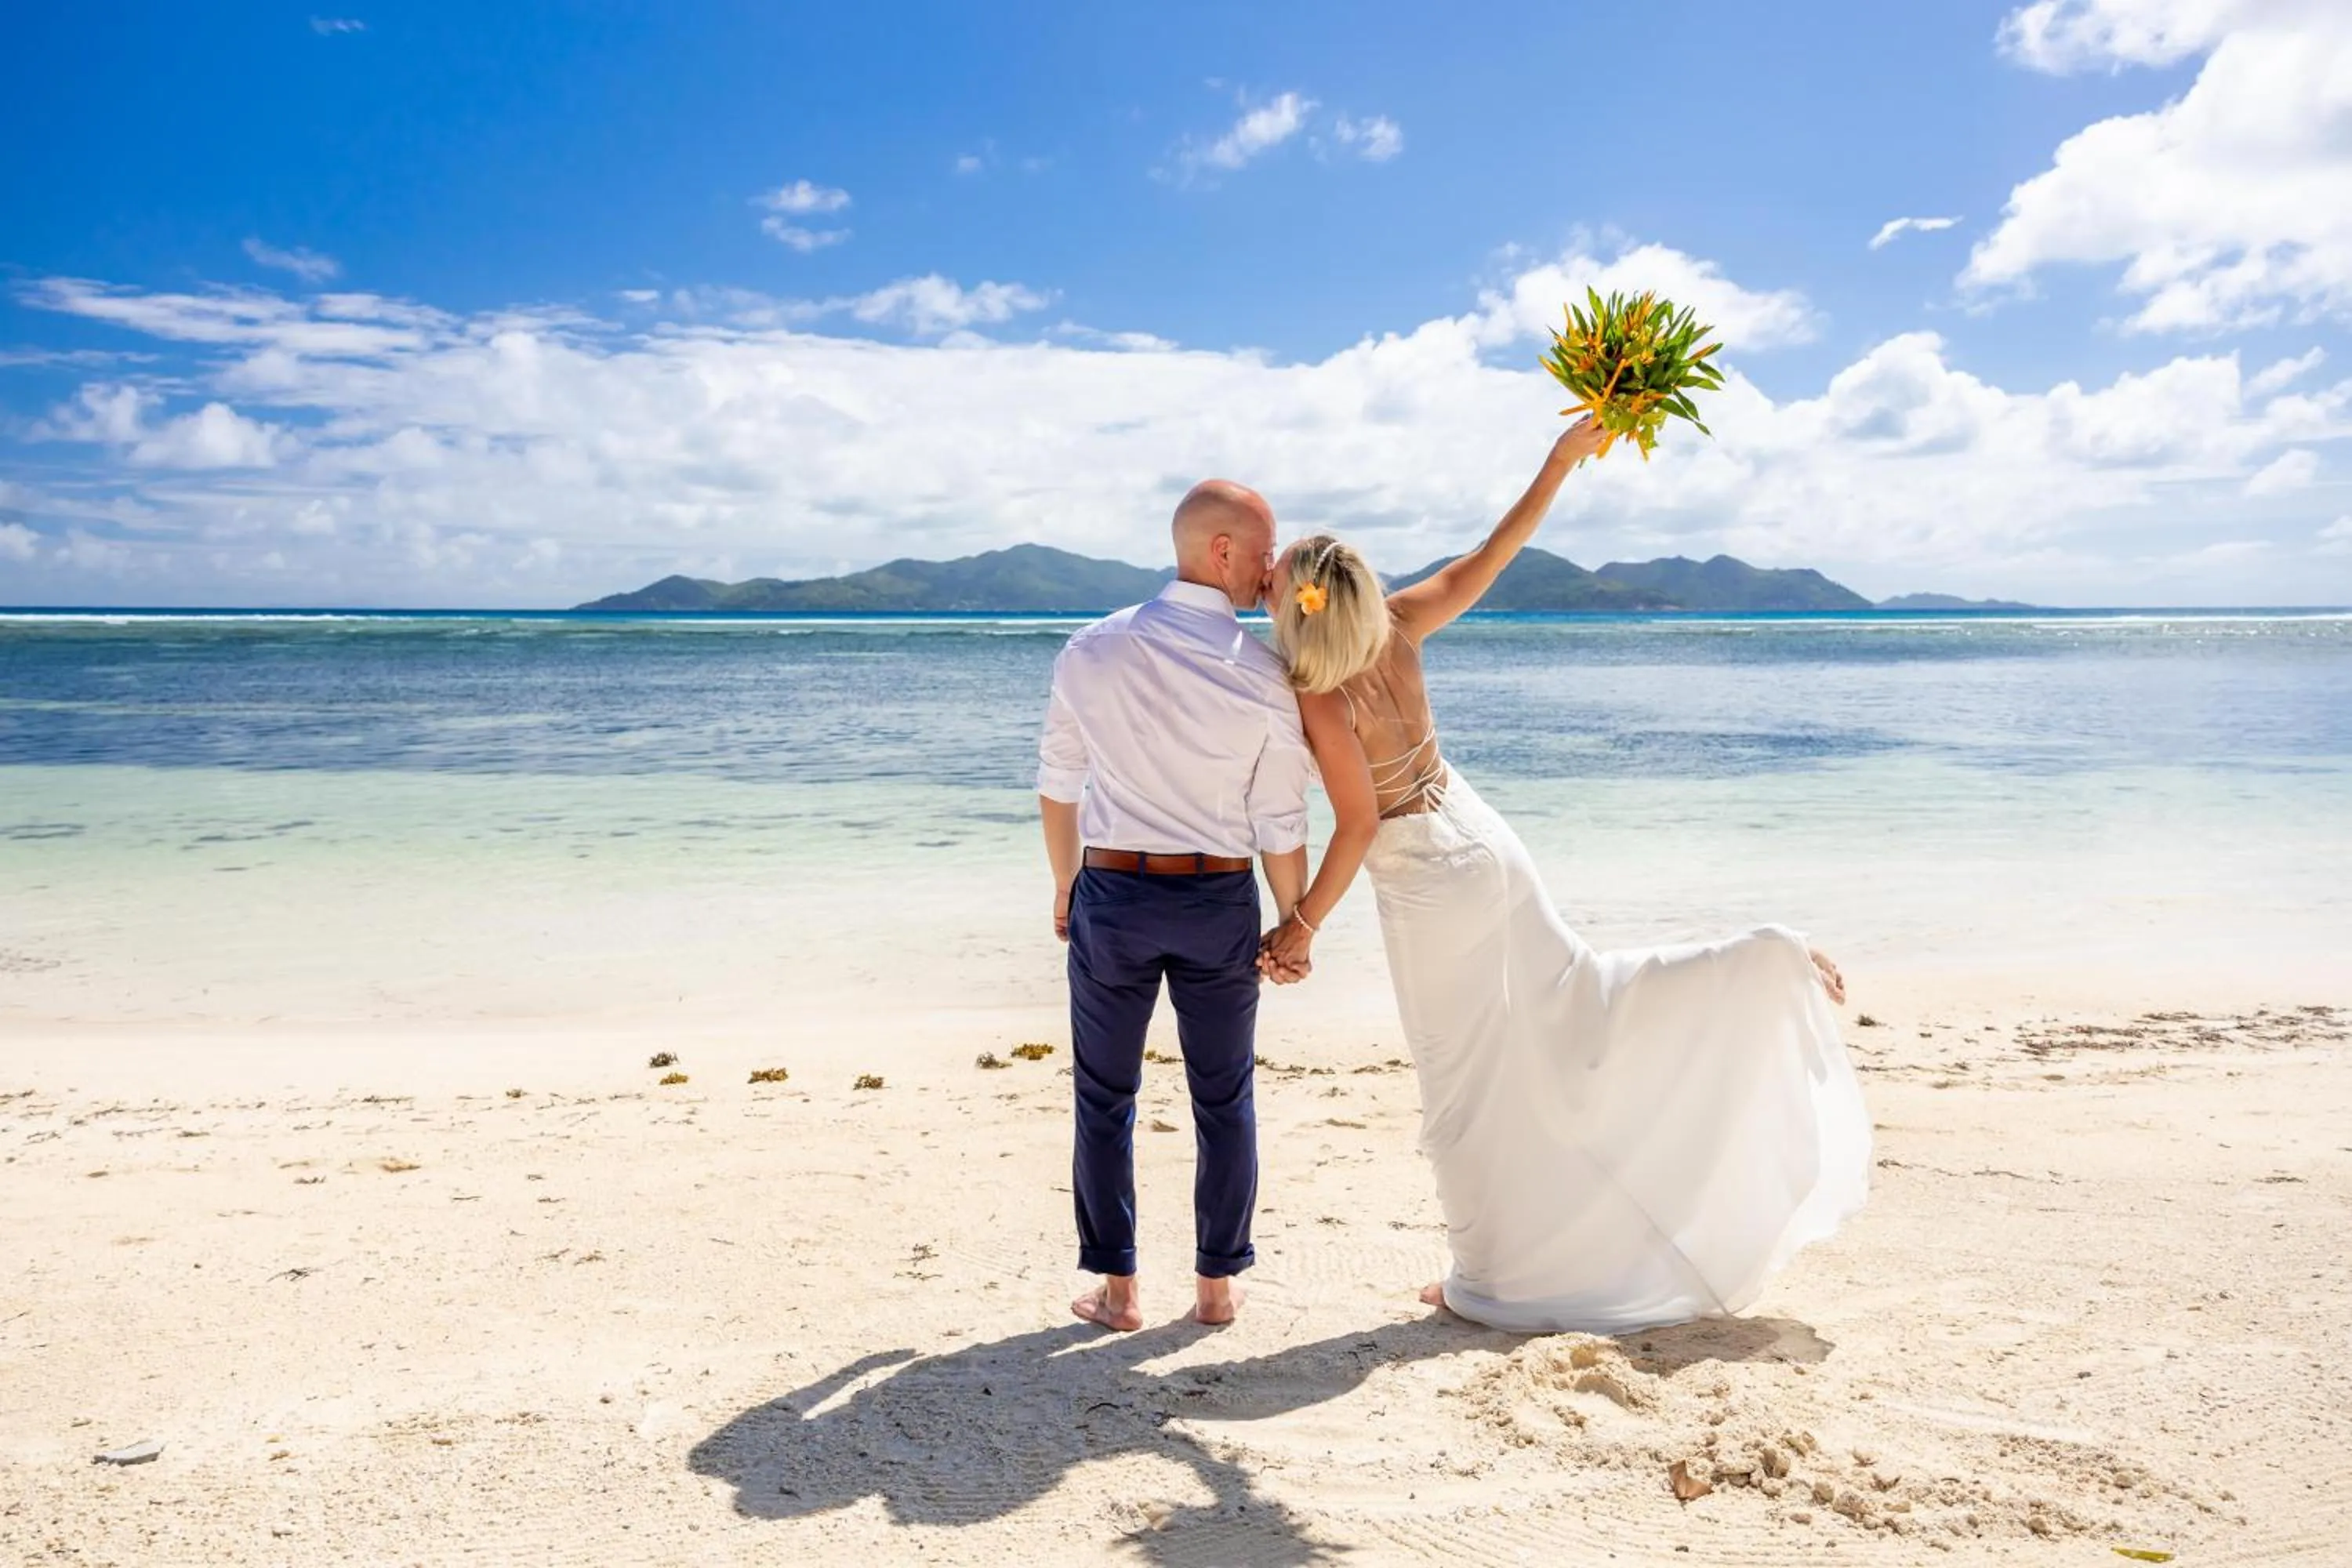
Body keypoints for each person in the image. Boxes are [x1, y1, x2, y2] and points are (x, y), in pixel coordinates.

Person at [1254, 416, 1872, 1334]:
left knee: (1465, 1082)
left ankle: (1491, 1278)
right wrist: (1558, 461)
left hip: (1431, 879)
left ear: (1298, 604)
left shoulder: (1318, 687)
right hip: (1489, 839)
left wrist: (1299, 924)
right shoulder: (1402, 627)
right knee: (1581, 999)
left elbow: (1353, 823)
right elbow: (1494, 550)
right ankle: (1760, 957)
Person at [1035, 478, 1370, 1333]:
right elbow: (1278, 820)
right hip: (1217, 894)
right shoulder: (1266, 676)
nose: (1271, 574)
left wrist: (1066, 879)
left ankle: (1118, 1292)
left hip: (1112, 889)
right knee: (1224, 1096)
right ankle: (1217, 1288)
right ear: (1221, 551)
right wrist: (1292, 924)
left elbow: (1058, 782)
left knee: (1103, 1096)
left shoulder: (1089, 648)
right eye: (1262, 554)